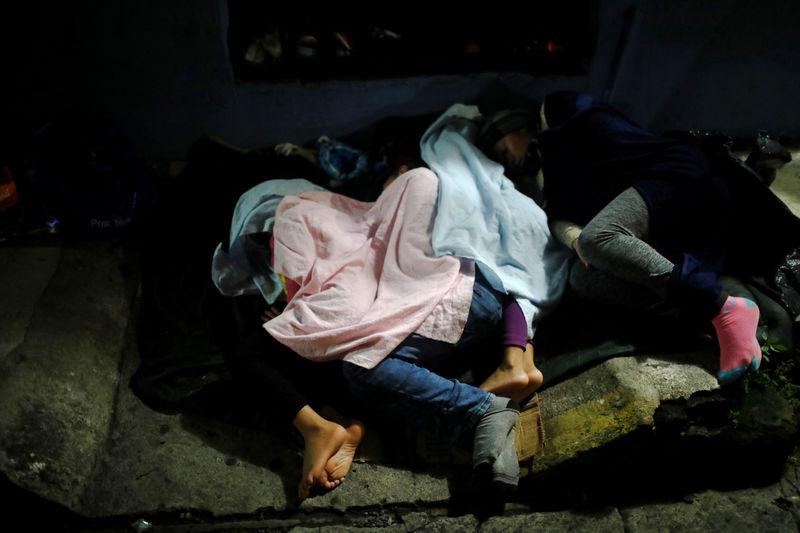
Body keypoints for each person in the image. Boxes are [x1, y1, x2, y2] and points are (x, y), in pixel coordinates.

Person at [478, 91, 762, 384]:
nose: (507, 159)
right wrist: (576, 242)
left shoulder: (557, 110)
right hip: (643, 214)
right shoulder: (539, 180)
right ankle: (716, 315)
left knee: (597, 238)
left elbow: (609, 137)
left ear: (516, 127)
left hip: (671, 176)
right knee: (581, 278)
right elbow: (558, 219)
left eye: (502, 148)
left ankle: (720, 307)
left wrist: (557, 157)